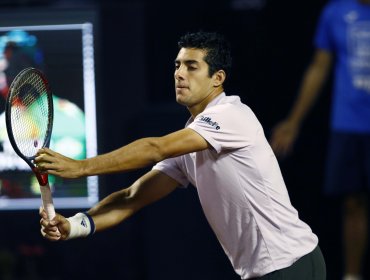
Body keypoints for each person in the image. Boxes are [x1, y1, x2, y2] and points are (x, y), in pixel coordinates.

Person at [37, 31, 326, 280]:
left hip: (291, 263)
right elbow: (132, 198)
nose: (179, 73)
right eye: (177, 65)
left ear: (217, 78)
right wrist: (75, 225)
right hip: (269, 270)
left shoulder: (231, 115)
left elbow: (155, 148)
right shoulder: (193, 139)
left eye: (191, 66)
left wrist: (81, 167)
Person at [270, 1, 370, 280]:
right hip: (350, 123)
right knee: (353, 202)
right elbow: (319, 68)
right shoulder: (335, 12)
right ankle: (352, 275)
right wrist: (293, 121)